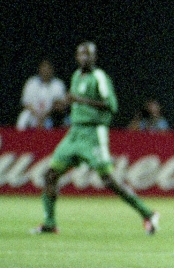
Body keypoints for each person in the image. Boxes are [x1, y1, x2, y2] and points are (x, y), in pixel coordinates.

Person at [31, 42, 159, 235]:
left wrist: (79, 100)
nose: (84, 58)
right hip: (74, 133)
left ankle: (148, 214)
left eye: (88, 54)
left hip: (93, 134)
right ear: (76, 57)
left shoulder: (99, 77)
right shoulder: (76, 76)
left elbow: (111, 105)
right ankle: (50, 223)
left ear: (94, 57)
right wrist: (66, 103)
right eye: (81, 54)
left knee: (109, 180)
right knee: (50, 175)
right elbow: (76, 101)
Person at [16, 59, 68, 131]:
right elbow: (26, 103)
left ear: (52, 70)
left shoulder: (58, 84)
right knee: (23, 117)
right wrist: (37, 116)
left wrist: (44, 116)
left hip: (50, 115)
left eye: (48, 68)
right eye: (43, 68)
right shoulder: (31, 82)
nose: (45, 71)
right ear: (39, 69)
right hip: (33, 113)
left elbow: (59, 105)